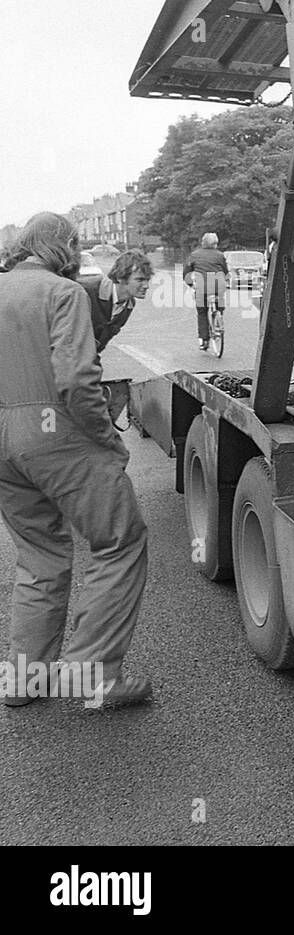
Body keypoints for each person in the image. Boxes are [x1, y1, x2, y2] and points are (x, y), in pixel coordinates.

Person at [0, 213, 151, 707]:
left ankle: (24, 679)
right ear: (63, 245)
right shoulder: (64, 294)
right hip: (53, 432)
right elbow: (77, 382)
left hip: (2, 441)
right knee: (118, 541)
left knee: (40, 555)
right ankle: (93, 675)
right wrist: (106, 438)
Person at [80, 250, 153, 354]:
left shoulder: (129, 305)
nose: (146, 286)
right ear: (120, 278)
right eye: (140, 280)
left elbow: (99, 344)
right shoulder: (87, 290)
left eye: (147, 280)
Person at [184, 232, 228, 351]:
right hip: (218, 286)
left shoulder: (194, 255)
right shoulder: (220, 255)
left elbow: (187, 272)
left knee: (202, 312)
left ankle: (204, 339)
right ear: (215, 244)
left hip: (202, 286)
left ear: (203, 243)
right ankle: (218, 321)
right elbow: (225, 271)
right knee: (219, 306)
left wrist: (190, 284)